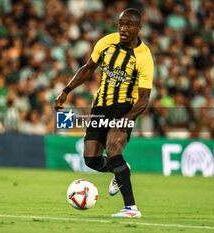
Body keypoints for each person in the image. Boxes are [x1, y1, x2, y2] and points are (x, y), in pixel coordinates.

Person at [54, 8, 154, 218]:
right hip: (100, 106)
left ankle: (131, 208)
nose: (123, 28)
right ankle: (120, 169)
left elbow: (143, 99)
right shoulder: (106, 43)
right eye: (120, 23)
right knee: (91, 158)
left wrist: (125, 120)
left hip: (124, 108)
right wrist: (66, 91)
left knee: (113, 147)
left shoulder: (144, 58)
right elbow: (88, 68)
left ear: (138, 28)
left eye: (128, 25)